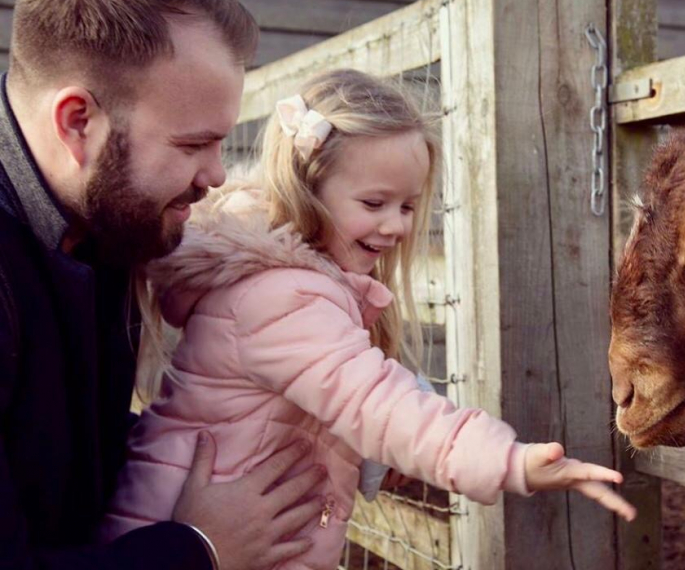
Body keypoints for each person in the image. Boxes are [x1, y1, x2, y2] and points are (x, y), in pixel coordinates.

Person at [102, 68, 637, 570]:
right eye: (375, 202)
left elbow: (351, 378)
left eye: (407, 206)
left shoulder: (287, 286)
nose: (397, 225)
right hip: (202, 544)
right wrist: (508, 462)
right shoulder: (282, 297)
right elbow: (378, 404)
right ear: (308, 189)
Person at [0, 1, 324, 569]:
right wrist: (201, 548)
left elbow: (59, 448)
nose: (216, 175)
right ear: (78, 122)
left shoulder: (105, 216)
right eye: (192, 144)